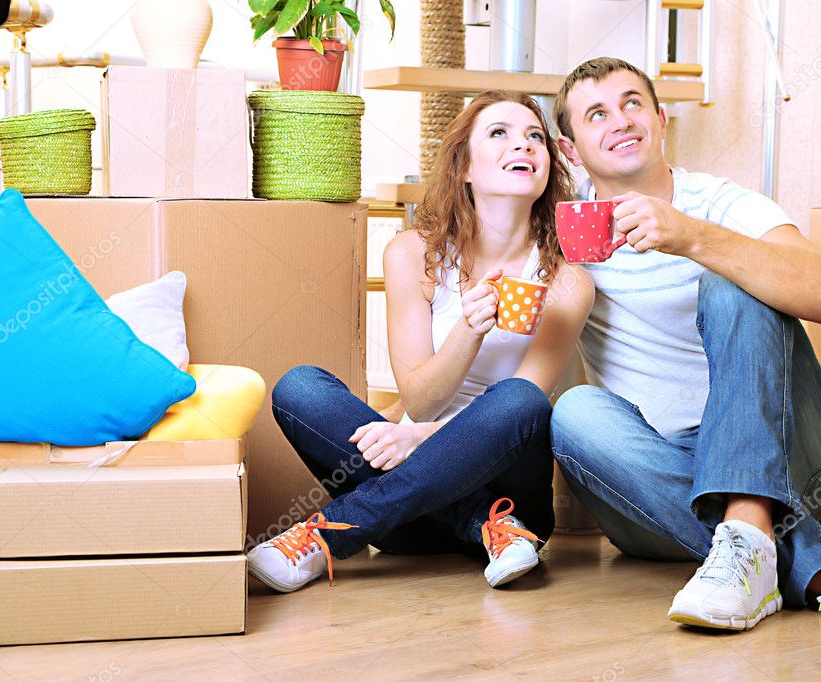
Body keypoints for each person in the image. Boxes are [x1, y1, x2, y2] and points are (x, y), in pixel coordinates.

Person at [549, 57, 821, 630]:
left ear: (660, 119)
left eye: (633, 103)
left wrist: (693, 237)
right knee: (575, 411)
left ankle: (752, 535)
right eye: (597, 113)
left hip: (792, 457)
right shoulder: (562, 227)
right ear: (571, 149)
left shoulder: (720, 204)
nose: (621, 120)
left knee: (732, 282)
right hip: (654, 483)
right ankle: (818, 570)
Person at [246, 90, 594, 593]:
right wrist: (468, 331)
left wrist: (414, 438)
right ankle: (485, 528)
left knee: (519, 401)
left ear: (546, 167)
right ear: (464, 167)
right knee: (301, 388)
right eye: (499, 133)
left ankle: (327, 534)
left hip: (509, 490)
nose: (524, 145)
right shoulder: (413, 254)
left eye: (535, 136)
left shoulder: (566, 281)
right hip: (425, 517)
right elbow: (421, 399)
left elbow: (526, 405)